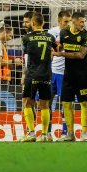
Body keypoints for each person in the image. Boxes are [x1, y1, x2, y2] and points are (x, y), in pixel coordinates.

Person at [54, 12, 87, 141]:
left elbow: (81, 55)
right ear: (74, 22)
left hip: (82, 75)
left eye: (84, 21)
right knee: (66, 103)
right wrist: (55, 49)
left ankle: (83, 133)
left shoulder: (86, 35)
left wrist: (60, 54)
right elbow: (59, 47)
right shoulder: (64, 33)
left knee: (84, 103)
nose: (83, 24)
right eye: (81, 21)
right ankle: (70, 133)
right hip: (68, 74)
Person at [20, 12, 57, 143]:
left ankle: (31, 133)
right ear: (43, 23)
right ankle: (45, 134)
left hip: (32, 74)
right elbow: (56, 50)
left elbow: (25, 53)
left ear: (33, 23)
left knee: (27, 102)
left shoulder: (27, 38)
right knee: (45, 105)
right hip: (47, 74)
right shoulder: (51, 37)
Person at [48, 9, 72, 140]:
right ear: (59, 21)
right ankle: (48, 132)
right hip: (52, 72)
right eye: (66, 21)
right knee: (47, 103)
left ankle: (65, 132)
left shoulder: (72, 33)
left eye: (69, 21)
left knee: (66, 104)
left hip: (66, 74)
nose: (68, 24)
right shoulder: (51, 33)